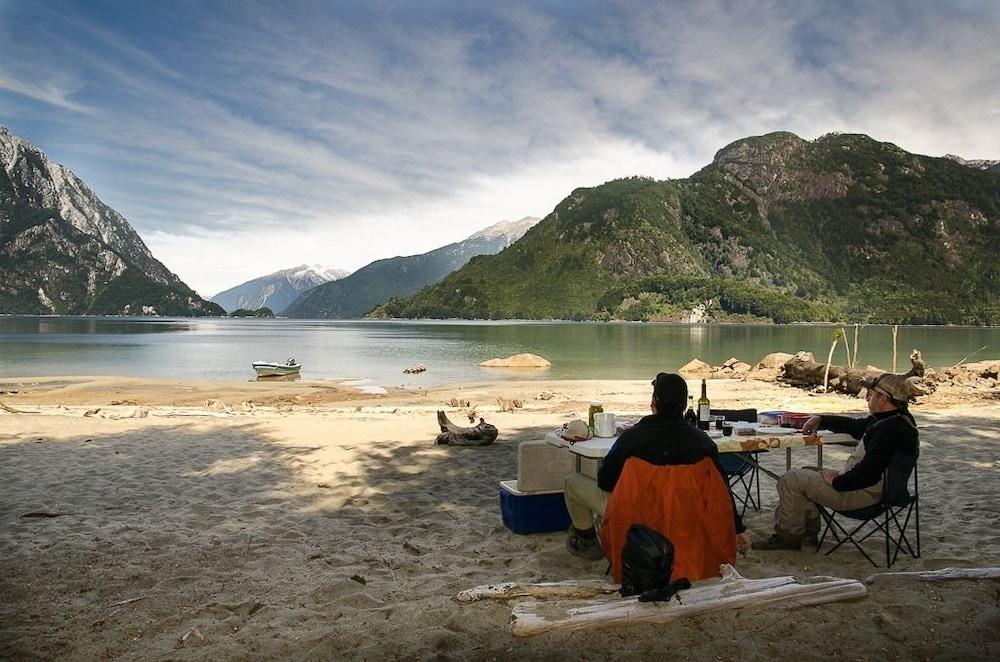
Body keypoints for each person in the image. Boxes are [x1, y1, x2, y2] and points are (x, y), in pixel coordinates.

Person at [564, 372, 750, 559]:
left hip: (638, 515)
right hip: (686, 513)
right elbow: (722, 489)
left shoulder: (631, 438)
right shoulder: (703, 442)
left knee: (573, 482)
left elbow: (605, 480)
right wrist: (738, 528)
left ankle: (587, 541)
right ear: (684, 406)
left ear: (653, 402)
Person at [755, 372, 919, 551]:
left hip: (865, 495)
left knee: (791, 479)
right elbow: (856, 427)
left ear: (882, 398)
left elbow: (868, 474)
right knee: (806, 470)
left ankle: (787, 537)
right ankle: (806, 534)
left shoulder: (888, 430)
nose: (867, 399)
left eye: (871, 395)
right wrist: (822, 419)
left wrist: (837, 481)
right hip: (882, 491)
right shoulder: (897, 421)